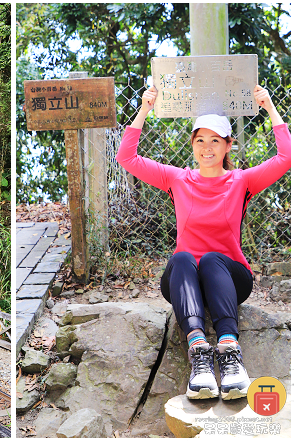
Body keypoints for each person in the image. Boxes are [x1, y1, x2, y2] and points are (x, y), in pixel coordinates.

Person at [116, 84, 290, 400]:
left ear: (227, 146)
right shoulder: (178, 179)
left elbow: (285, 157)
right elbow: (126, 156)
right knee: (182, 258)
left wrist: (268, 106)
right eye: (200, 140)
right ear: (192, 145)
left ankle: (230, 356)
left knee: (210, 258)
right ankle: (200, 359)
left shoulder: (242, 181)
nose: (206, 147)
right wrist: (145, 108)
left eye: (214, 141)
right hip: (186, 280)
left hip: (230, 276)